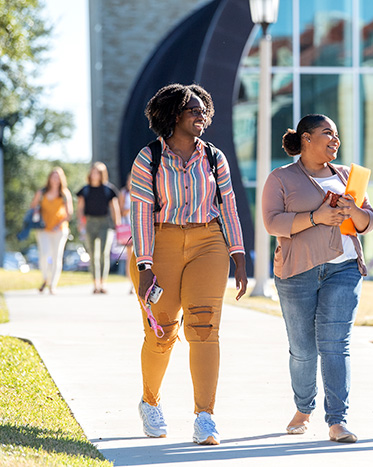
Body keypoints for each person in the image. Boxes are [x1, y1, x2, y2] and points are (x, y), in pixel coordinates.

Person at [130, 83, 247, 446]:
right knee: (162, 332)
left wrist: (239, 255)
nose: (201, 116)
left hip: (208, 242)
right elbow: (140, 213)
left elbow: (228, 205)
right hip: (160, 241)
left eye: (203, 110)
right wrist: (146, 265)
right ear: (173, 115)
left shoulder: (215, 157)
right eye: (193, 110)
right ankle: (150, 402)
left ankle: (205, 417)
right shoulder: (148, 158)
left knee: (204, 328)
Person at [262, 114, 373, 443]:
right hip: (298, 272)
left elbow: (366, 223)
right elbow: (272, 222)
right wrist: (316, 217)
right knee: (302, 349)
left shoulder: (348, 176)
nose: (334, 139)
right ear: (306, 139)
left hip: (344, 268)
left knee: (335, 346)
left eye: (336, 134)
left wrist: (353, 210)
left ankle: (337, 421)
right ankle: (303, 407)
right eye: (327, 133)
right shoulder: (280, 178)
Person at [77, 161, 121, 294]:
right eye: (93, 172)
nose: (95, 174)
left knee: (103, 253)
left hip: (105, 223)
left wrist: (118, 225)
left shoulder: (108, 189)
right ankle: (95, 284)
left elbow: (115, 208)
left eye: (98, 172)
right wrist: (80, 223)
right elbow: (80, 208)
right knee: (92, 254)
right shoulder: (85, 190)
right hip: (90, 222)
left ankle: (103, 283)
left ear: (102, 174)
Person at [29, 167, 73, 294]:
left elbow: (69, 213)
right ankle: (45, 279)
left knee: (56, 256)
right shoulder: (42, 192)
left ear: (61, 179)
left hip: (60, 229)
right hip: (43, 229)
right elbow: (32, 207)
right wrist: (37, 210)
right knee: (44, 255)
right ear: (49, 178)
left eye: (58, 177)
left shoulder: (65, 193)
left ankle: (52, 285)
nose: (55, 179)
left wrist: (58, 224)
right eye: (53, 176)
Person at [119, 173, 134, 293]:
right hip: (128, 227)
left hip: (138, 226)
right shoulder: (124, 193)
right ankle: (131, 283)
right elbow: (121, 212)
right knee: (130, 257)